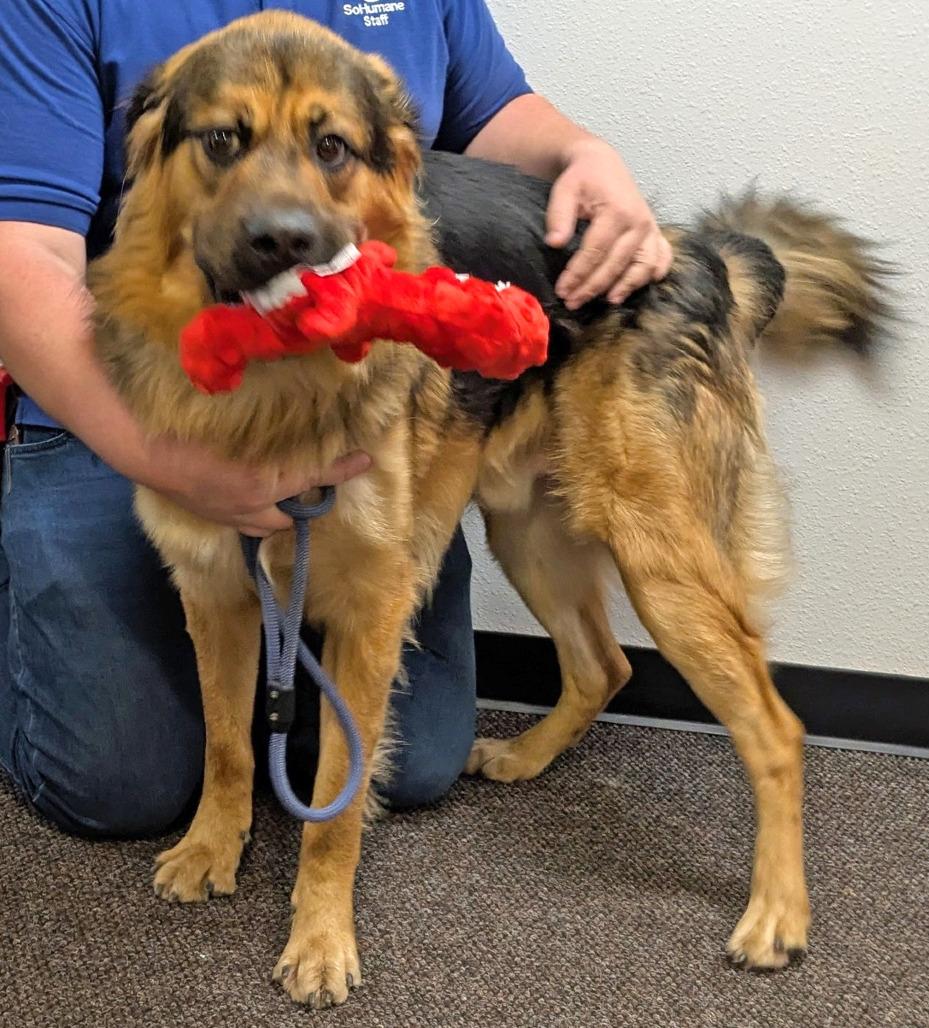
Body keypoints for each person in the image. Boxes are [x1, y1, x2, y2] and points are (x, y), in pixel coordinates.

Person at [0, 0, 672, 837]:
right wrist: (165, 461)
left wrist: (585, 152)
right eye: (223, 140)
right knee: (116, 785)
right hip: (119, 400)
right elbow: (20, 253)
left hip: (336, 399)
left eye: (328, 147)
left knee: (419, 763)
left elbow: (494, 111)